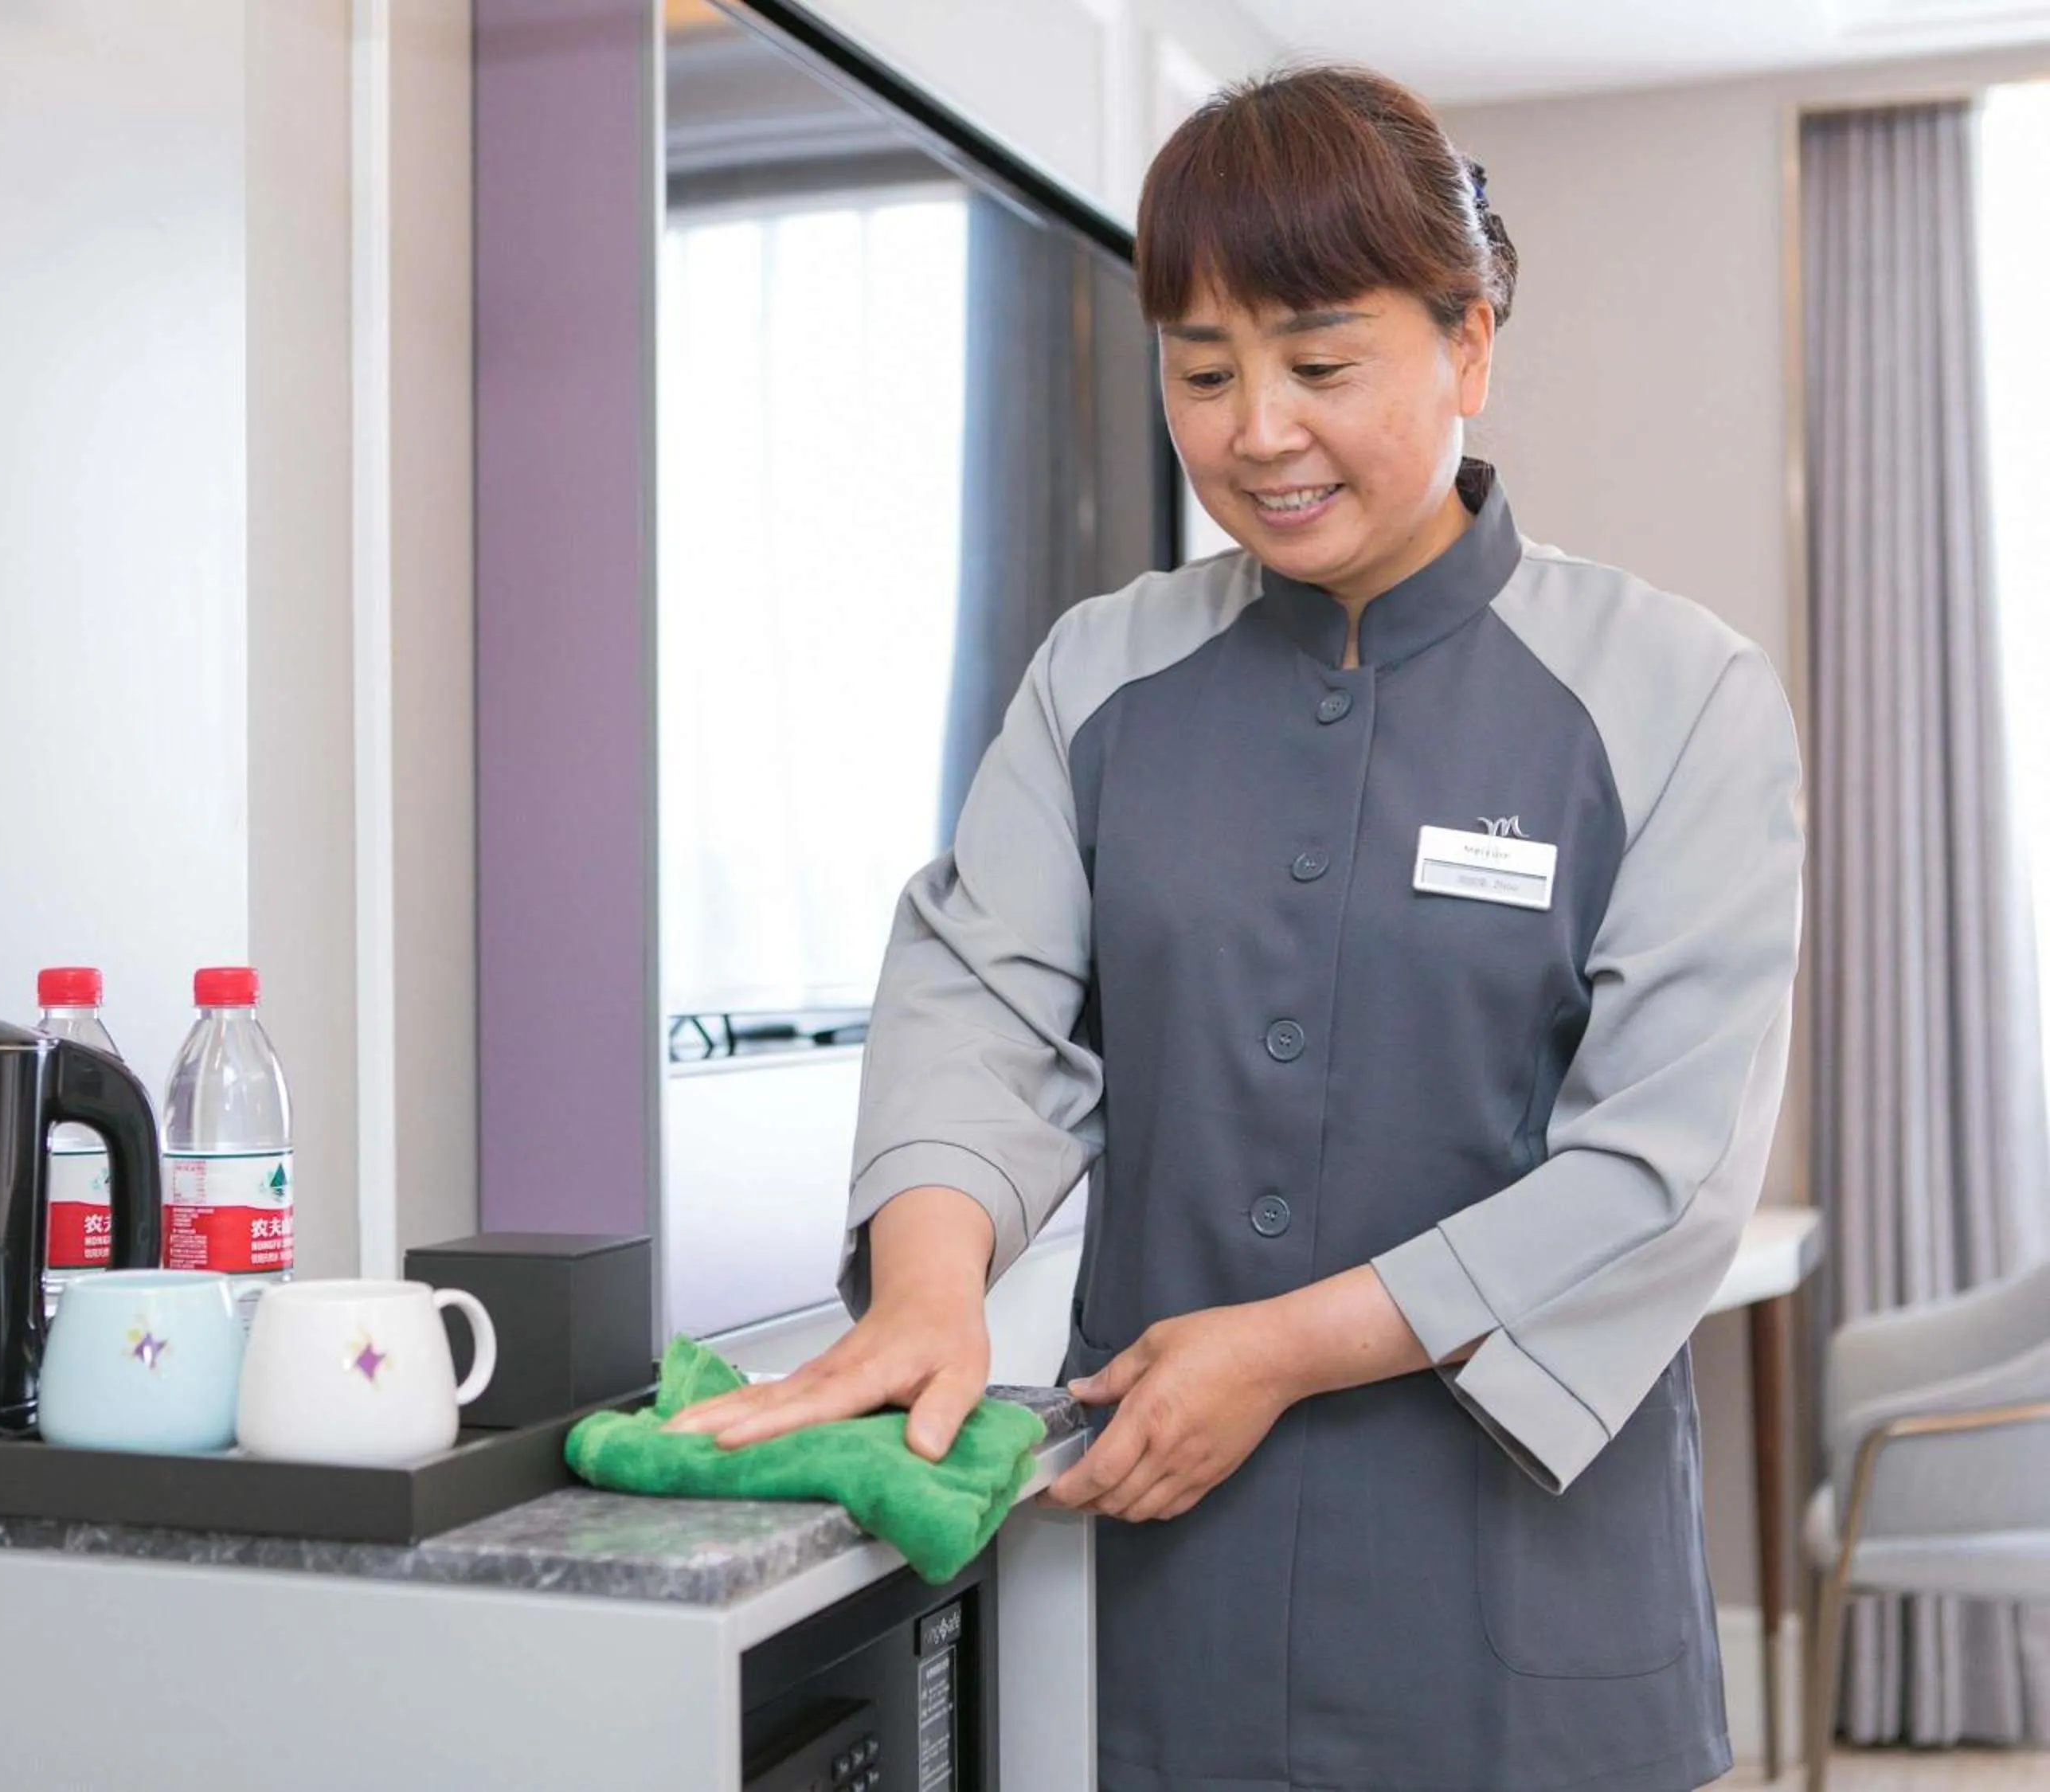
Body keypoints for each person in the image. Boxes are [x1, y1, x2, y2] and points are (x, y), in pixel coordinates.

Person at [667, 62, 1802, 1792]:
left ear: (1469, 345)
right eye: (1203, 372)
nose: (1257, 430)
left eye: (1321, 363)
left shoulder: (1676, 696)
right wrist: (925, 1285)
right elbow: (981, 999)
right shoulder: (1103, 675)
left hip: (1517, 1602)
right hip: (1165, 1575)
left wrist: (1280, 1348)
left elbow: (1658, 1170)